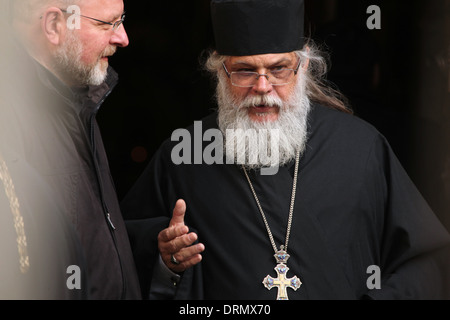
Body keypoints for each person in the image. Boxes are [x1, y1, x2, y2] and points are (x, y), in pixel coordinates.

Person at [121, 0, 450, 300]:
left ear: (303, 66)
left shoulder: (361, 148)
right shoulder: (185, 154)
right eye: (245, 71)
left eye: (278, 69)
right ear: (221, 72)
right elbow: (121, 253)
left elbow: (426, 262)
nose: (262, 87)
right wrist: (166, 257)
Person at [1, 0, 142, 299]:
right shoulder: (8, 118)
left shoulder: (77, 95)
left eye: (121, 20)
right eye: (107, 24)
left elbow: (89, 239)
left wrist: (154, 242)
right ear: (53, 26)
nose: (123, 37)